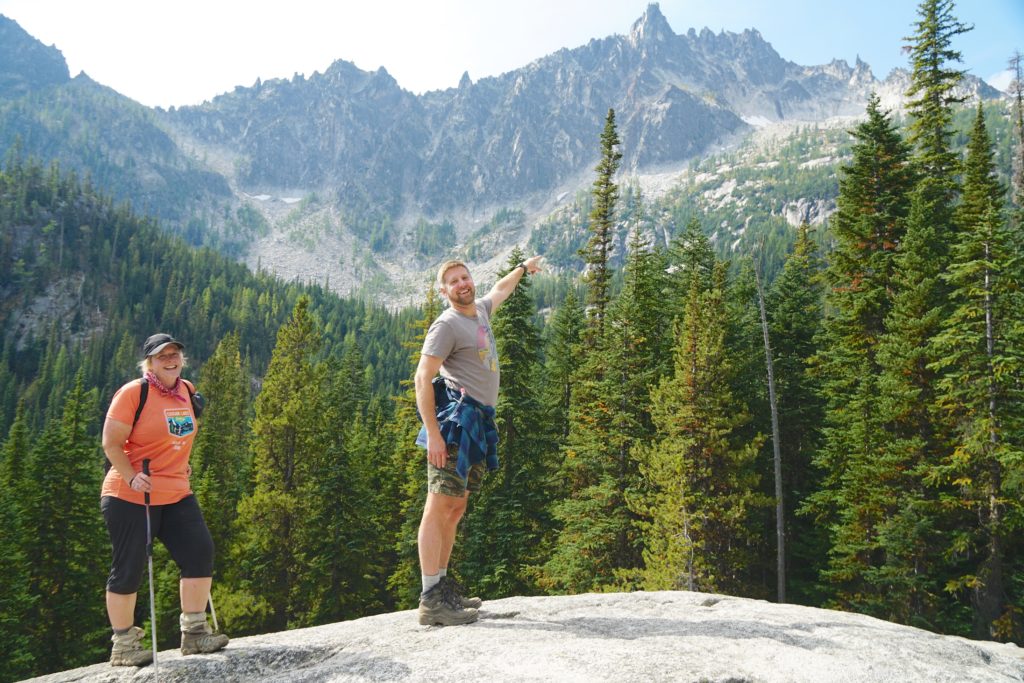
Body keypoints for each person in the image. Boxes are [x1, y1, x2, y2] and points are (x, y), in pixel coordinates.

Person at [414, 255, 542, 626]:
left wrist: (523, 268)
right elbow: (423, 378)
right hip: (456, 422)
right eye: (453, 281)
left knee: (456, 508)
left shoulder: (480, 310)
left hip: (478, 421)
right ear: (444, 291)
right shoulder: (446, 325)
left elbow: (500, 290)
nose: (462, 284)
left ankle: (441, 588)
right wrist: (434, 436)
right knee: (438, 506)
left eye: (465, 277)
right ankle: (429, 598)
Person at [100, 333, 229, 666]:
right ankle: (124, 645)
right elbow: (111, 443)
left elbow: (179, 437)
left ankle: (195, 634)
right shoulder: (134, 393)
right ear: (149, 363)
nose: (171, 359)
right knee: (128, 568)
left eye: (175, 354)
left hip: (175, 492)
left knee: (200, 552)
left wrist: (180, 464)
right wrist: (131, 475)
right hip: (131, 494)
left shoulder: (186, 390)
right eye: (162, 356)